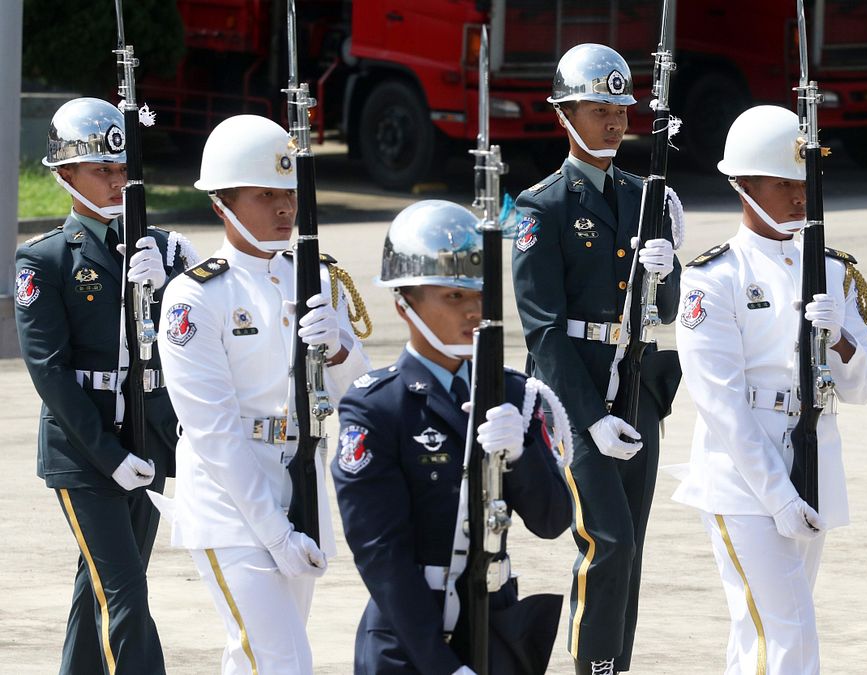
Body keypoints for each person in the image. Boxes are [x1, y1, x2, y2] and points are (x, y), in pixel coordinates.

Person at [672, 104, 867, 674]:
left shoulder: (834, 271)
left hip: (814, 458)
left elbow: (865, 386)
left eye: (806, 182)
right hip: (743, 479)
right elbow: (719, 403)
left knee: (760, 631)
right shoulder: (714, 277)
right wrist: (778, 495)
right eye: (784, 183)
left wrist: (839, 339)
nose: (800, 196)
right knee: (789, 633)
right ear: (743, 185)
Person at [155, 114, 370, 674]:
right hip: (230, 502)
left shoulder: (315, 279)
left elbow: (361, 397)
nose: (284, 208)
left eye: (289, 194)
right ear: (221, 203)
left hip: (300, 480)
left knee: (254, 656)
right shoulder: (194, 296)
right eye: (264, 195)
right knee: (282, 662)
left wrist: (342, 349)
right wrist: (274, 533)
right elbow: (213, 430)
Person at [332, 200, 573, 674]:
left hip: (495, 626)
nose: (473, 312)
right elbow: (381, 554)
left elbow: (552, 519)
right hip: (411, 638)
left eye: (479, 296)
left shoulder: (514, 393)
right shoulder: (377, 406)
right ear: (404, 303)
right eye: (452, 297)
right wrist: (442, 667)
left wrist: (520, 455)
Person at [510, 42, 683, 675]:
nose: (613, 121)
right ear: (564, 114)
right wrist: (587, 418)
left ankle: (617, 665)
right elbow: (544, 332)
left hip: (636, 382)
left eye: (619, 109)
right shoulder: (542, 206)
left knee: (630, 545)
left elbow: (663, 309)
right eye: (597, 109)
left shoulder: (648, 195)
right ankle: (593, 668)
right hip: (575, 394)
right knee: (604, 539)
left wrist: (667, 272)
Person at [14, 96, 195, 675]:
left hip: (147, 437)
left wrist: (169, 288)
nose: (118, 181)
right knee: (125, 594)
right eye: (103, 170)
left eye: (123, 170)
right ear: (65, 175)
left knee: (101, 585)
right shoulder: (44, 259)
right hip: (84, 450)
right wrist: (108, 455)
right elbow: (49, 369)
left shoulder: (163, 250)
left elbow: (189, 341)